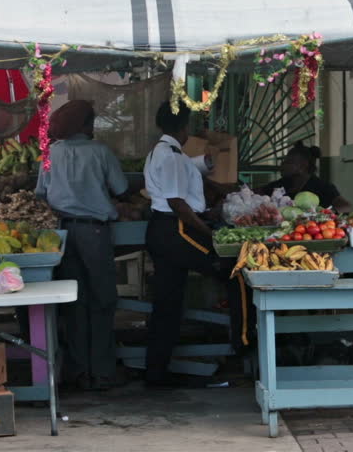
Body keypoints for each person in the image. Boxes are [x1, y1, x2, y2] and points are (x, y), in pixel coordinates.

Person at [143, 102, 247, 387]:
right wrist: (207, 232)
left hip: (162, 230)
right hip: (176, 228)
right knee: (234, 270)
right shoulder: (173, 156)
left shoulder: (160, 152)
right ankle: (244, 347)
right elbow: (178, 203)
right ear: (183, 127)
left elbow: (187, 181)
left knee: (168, 303)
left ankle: (157, 373)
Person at [35, 100, 128, 391]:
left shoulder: (50, 153)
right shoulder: (101, 152)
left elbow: (41, 193)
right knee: (102, 301)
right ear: (85, 126)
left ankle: (77, 372)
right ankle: (102, 372)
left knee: (73, 302)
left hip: (62, 234)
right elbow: (122, 188)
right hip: (94, 232)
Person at [259, 141, 352, 213]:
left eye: (288, 162)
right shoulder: (283, 183)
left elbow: (345, 206)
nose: (282, 165)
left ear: (302, 166)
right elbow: (258, 191)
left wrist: (323, 214)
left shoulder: (322, 186)